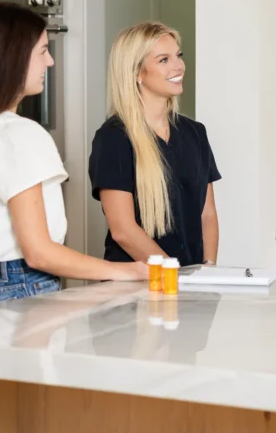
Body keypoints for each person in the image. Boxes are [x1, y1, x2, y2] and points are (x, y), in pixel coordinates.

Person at [0, 3, 147, 309]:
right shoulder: (18, 134)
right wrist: (125, 271)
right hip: (23, 289)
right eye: (43, 51)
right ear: (12, 58)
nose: (50, 62)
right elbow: (39, 252)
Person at [89, 22, 221, 267]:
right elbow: (123, 230)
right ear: (137, 73)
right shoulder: (113, 138)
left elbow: (207, 213)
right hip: (135, 289)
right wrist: (174, 274)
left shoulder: (195, 133)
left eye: (178, 55)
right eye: (164, 60)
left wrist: (209, 267)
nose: (178, 65)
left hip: (189, 285)